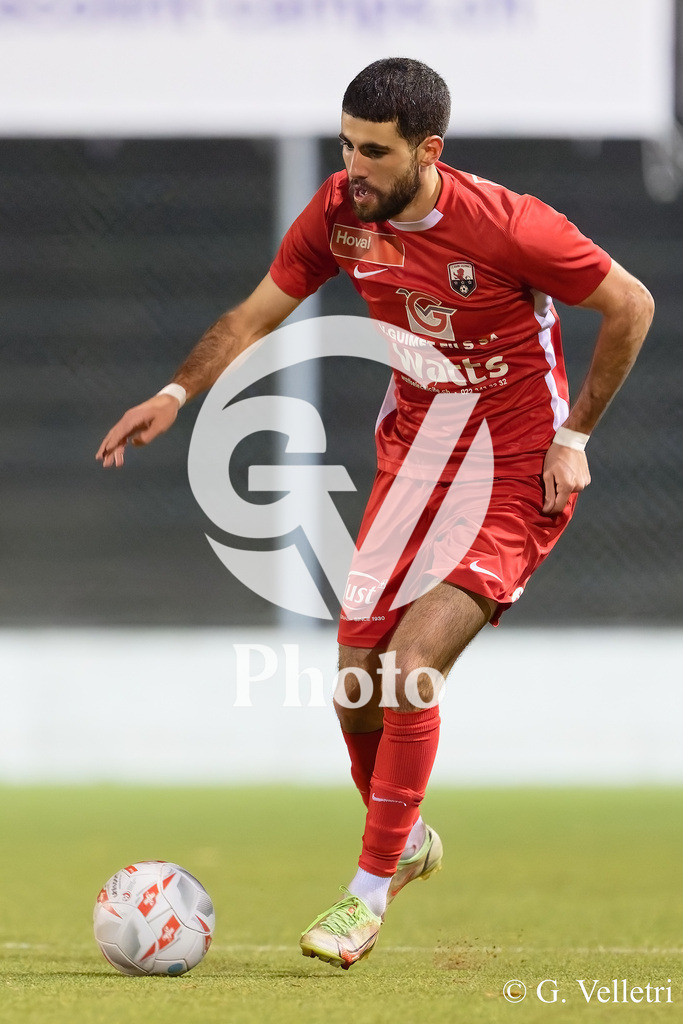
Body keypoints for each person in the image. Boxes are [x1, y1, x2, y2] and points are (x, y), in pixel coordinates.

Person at [97, 58, 654, 970]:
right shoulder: (340, 214)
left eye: (374, 153)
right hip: (416, 459)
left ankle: (365, 893)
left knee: (410, 659)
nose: (351, 167)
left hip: (515, 467)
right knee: (355, 685)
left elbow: (630, 304)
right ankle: (410, 840)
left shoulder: (511, 227)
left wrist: (576, 434)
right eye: (346, 144)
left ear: (427, 151)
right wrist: (176, 389)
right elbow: (252, 315)